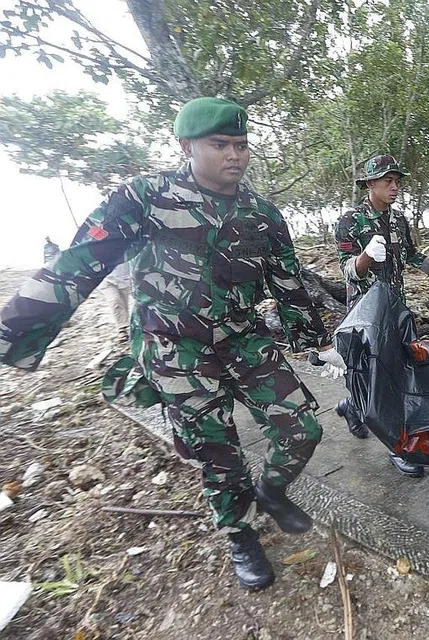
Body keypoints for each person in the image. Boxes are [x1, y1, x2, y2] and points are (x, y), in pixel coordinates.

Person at [0, 97, 346, 592]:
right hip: (175, 350)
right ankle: (238, 532)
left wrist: (311, 337)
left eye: (242, 145)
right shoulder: (144, 196)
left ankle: (271, 490)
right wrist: (12, 329)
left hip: (244, 339)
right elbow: (79, 262)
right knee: (218, 452)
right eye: (220, 144)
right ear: (186, 146)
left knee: (303, 428)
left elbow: (287, 281)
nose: (235, 155)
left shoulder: (262, 214)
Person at [334, 154, 429, 477]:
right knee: (380, 377)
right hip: (366, 314)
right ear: (370, 184)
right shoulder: (350, 222)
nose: (395, 187)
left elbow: (411, 255)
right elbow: (347, 270)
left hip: (396, 308)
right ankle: (397, 446)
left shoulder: (398, 220)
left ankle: (352, 407)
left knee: (394, 373)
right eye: (388, 181)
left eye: (398, 181)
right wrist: (364, 258)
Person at [101, 259, 133, 341]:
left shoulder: (128, 247)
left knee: (124, 305)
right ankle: (121, 329)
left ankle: (126, 326)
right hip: (106, 280)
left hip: (125, 279)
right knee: (115, 300)